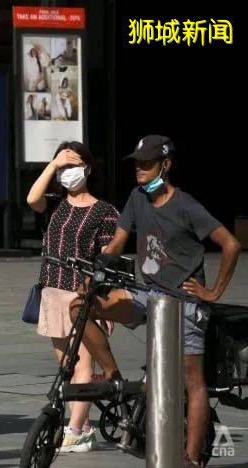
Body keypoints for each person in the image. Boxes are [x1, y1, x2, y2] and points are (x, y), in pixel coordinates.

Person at [71, 135, 241, 468]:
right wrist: (95, 273)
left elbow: (231, 244)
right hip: (147, 293)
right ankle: (113, 376)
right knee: (81, 308)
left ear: (166, 165)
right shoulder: (137, 198)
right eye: (136, 163)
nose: (140, 170)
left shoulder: (186, 205)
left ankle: (191, 458)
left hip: (182, 302)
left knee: (193, 382)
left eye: (146, 164)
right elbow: (117, 244)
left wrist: (213, 292)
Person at [26, 142, 119, 452]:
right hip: (51, 289)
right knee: (67, 364)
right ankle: (85, 422)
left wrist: (104, 306)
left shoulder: (105, 212)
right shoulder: (54, 204)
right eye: (64, 167)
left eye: (73, 164)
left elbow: (108, 259)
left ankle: (76, 428)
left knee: (82, 364)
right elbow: (31, 199)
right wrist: (53, 165)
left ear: (88, 168)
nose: (68, 172)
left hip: (83, 295)